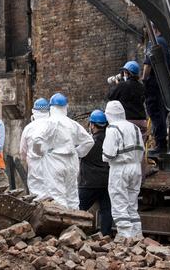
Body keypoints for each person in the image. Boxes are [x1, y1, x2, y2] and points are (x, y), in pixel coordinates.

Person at [42, 93, 94, 209]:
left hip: (54, 161)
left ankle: (63, 225)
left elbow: (37, 141)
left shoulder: (48, 122)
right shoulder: (73, 124)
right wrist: (78, 152)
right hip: (71, 162)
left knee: (57, 196)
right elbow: (89, 141)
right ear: (65, 107)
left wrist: (39, 153)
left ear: (51, 107)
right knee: (72, 196)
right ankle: (76, 224)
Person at [102, 101, 144, 240]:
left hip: (120, 168)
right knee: (132, 204)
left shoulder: (113, 128)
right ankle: (137, 235)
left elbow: (108, 154)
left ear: (109, 115)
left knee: (119, 203)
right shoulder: (135, 128)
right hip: (136, 167)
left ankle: (126, 236)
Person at [78, 109, 112, 236]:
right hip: (106, 181)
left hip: (89, 183)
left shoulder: (90, 142)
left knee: (79, 209)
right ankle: (106, 235)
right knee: (106, 210)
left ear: (92, 125)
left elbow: (78, 153)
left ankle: (75, 233)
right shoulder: (110, 139)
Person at [19, 98, 60, 202]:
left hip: (35, 167)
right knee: (54, 196)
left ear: (34, 111)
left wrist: (27, 159)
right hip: (53, 166)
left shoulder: (29, 128)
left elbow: (22, 152)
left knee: (37, 196)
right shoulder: (55, 126)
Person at [143, 26, 170, 154]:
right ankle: (162, 142)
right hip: (165, 82)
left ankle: (160, 144)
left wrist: (144, 79)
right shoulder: (167, 42)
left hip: (154, 83)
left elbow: (147, 65)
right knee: (162, 112)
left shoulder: (155, 42)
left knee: (155, 113)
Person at [108, 61, 147, 140]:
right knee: (140, 146)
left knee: (129, 146)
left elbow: (110, 96)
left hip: (128, 120)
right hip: (141, 120)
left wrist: (118, 85)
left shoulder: (122, 85)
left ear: (127, 72)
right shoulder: (141, 86)